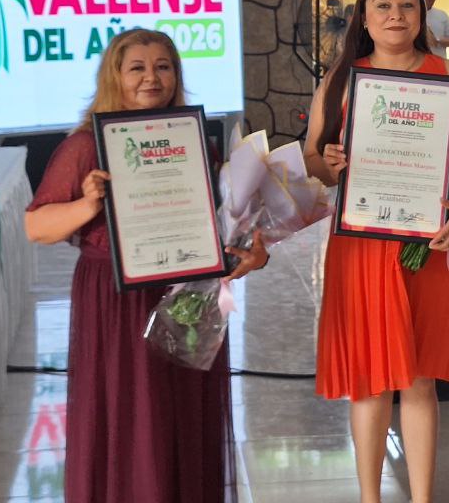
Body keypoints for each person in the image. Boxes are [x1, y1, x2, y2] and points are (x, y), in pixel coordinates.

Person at [24, 28, 269, 503]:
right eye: (137, 67)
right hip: (118, 302)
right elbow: (37, 227)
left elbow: (222, 226)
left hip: (188, 297)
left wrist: (252, 255)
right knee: (134, 418)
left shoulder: (195, 141)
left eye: (163, 67)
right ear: (114, 76)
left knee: (183, 417)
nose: (151, 78)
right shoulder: (85, 146)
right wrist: (88, 204)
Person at [304, 0, 449, 503]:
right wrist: (329, 163)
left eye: (408, 4)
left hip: (433, 242)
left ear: (422, 15)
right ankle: (370, 497)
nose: (396, 15)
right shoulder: (341, 79)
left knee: (421, 379)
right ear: (363, 17)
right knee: (371, 377)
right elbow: (313, 159)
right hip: (363, 244)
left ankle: (423, 498)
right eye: (382, 4)